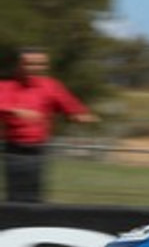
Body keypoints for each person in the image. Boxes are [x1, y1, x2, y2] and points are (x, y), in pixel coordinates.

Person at [0, 48, 97, 202]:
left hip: (38, 150)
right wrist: (15, 111)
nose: (35, 68)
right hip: (13, 150)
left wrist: (81, 116)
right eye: (30, 64)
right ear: (19, 65)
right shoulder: (5, 86)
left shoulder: (51, 86)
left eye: (40, 64)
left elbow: (72, 107)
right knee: (15, 196)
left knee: (34, 195)